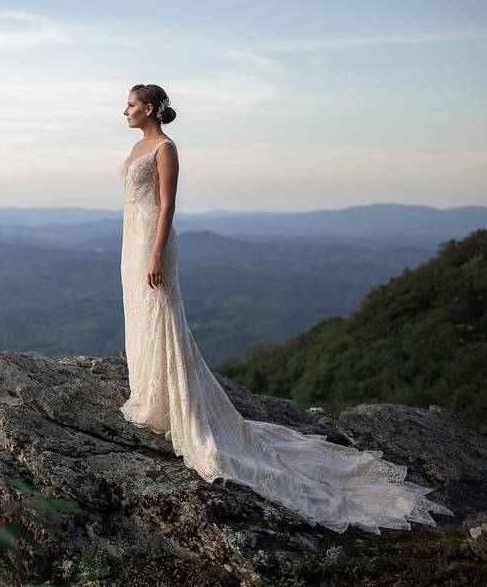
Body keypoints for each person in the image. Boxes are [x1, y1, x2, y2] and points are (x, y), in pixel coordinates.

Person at [117, 83, 455, 534]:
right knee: (140, 312)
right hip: (131, 240)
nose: (125, 111)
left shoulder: (164, 147)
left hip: (152, 243)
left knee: (161, 314)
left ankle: (176, 404)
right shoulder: (138, 145)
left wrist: (156, 253)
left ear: (152, 108)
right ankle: (151, 395)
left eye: (132, 104)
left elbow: (168, 205)